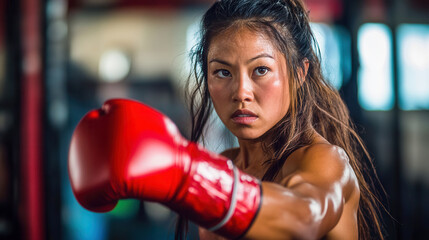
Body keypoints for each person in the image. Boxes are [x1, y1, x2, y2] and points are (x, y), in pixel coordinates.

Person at [68, 0, 384, 239]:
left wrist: (187, 176)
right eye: (223, 72)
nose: (241, 92)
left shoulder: (325, 162)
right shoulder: (225, 167)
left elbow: (306, 216)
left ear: (299, 73)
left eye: (261, 70)